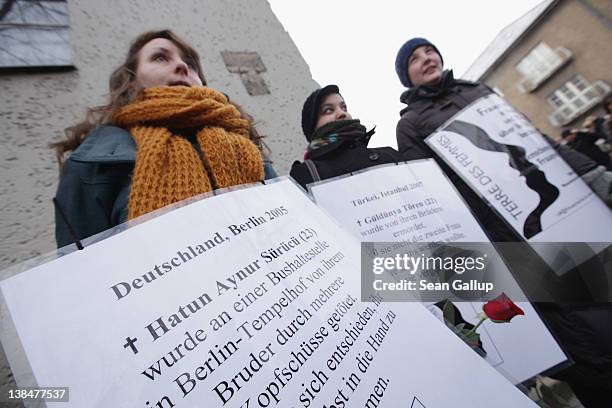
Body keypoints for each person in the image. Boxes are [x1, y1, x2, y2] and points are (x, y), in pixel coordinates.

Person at [394, 37, 612, 408]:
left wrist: (588, 171)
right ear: (406, 77)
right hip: (509, 226)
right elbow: (436, 189)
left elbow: (534, 138)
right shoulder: (411, 124)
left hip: (561, 199)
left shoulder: (478, 90)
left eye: (428, 50)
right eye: (414, 59)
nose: (425, 58)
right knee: (571, 313)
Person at [52, 30, 275, 249]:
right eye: (160, 57)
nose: (182, 66)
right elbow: (88, 277)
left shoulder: (241, 141)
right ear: (132, 81)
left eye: (190, 63)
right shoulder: (92, 165)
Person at [290, 84, 410, 189]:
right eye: (328, 110)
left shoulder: (389, 154)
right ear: (313, 127)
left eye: (343, 107)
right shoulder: (306, 173)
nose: (342, 113)